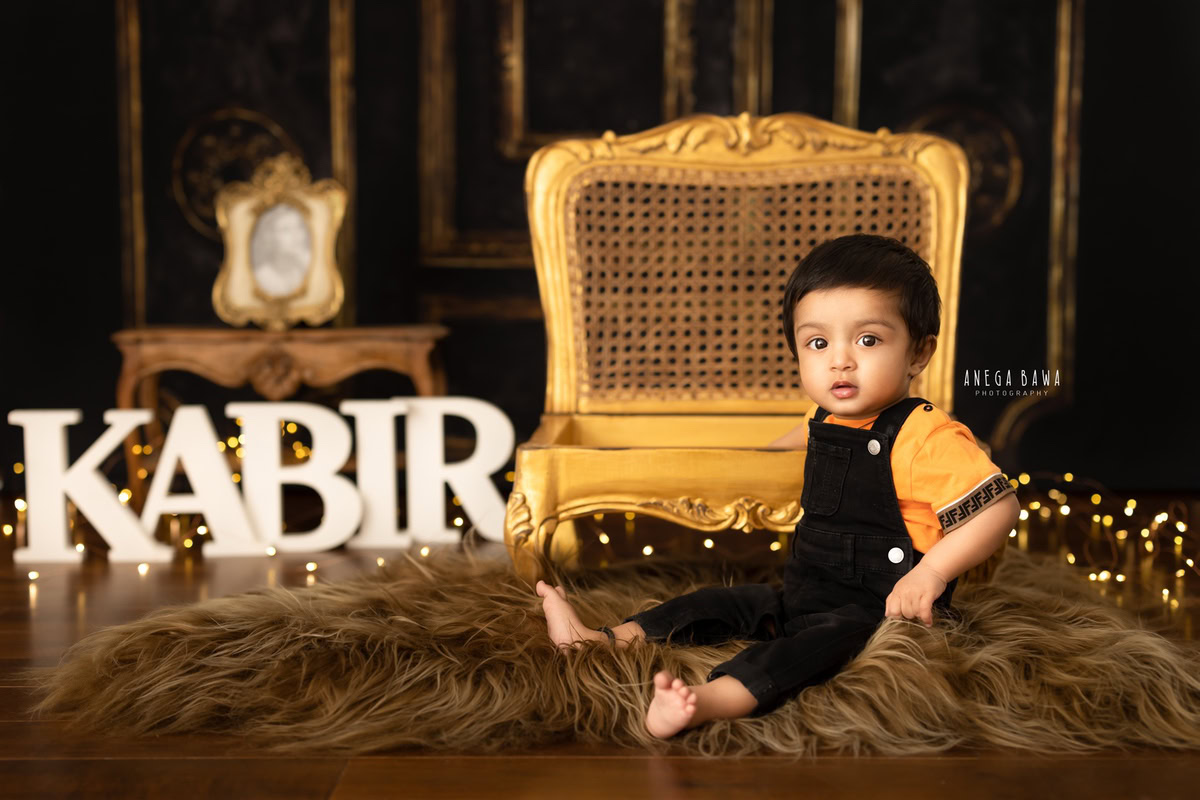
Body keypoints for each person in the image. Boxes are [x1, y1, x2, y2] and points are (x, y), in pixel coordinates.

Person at [535, 233, 1020, 738]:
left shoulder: (926, 435)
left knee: (806, 650)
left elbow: (999, 507)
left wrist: (931, 574)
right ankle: (605, 640)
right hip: (807, 590)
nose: (840, 360)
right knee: (718, 603)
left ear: (919, 352)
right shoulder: (823, 416)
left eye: (868, 340)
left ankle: (709, 700)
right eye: (818, 343)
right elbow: (781, 451)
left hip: (880, 609)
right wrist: (741, 465)